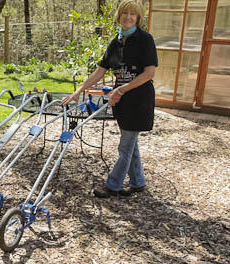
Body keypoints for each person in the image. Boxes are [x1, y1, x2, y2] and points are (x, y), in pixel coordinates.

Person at [61, 0, 158, 198]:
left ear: (138, 18)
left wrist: (121, 90)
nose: (128, 17)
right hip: (121, 100)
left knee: (125, 145)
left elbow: (149, 73)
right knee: (130, 143)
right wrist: (79, 90)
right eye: (125, 13)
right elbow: (100, 71)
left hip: (139, 100)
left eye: (133, 14)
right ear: (119, 16)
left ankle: (113, 185)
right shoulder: (115, 43)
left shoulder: (145, 40)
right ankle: (138, 182)